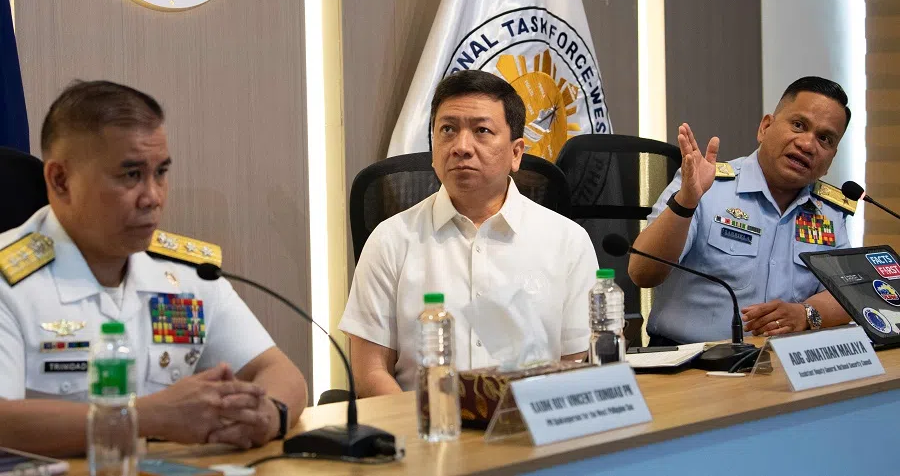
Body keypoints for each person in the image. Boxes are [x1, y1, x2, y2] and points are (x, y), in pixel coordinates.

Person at [0, 81, 308, 456]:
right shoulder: (8, 280)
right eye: (130, 175)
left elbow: (279, 371)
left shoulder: (187, 273)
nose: (153, 197)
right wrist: (148, 417)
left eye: (160, 172)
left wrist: (269, 414)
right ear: (60, 180)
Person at [339, 70, 598, 397]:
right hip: (426, 434)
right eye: (448, 130)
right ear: (434, 148)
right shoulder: (390, 240)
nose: (461, 147)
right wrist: (426, 430)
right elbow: (370, 371)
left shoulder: (567, 242)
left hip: (533, 433)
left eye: (482, 131)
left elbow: (577, 362)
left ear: (516, 153)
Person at [629, 76, 855, 345]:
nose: (807, 145)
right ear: (765, 127)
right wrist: (685, 203)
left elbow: (845, 291)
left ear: (831, 158)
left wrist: (805, 314)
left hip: (782, 367)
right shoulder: (706, 184)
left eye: (825, 138)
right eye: (798, 125)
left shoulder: (828, 211)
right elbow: (642, 272)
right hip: (689, 362)